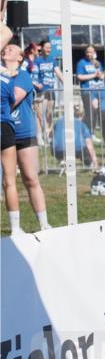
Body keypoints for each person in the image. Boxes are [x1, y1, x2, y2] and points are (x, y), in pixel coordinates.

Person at [2, 43, 49, 231]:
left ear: (20, 57)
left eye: (11, 49)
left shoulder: (23, 76)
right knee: (8, 180)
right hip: (6, 130)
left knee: (30, 178)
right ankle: (16, 227)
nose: (6, 49)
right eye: (4, 48)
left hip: (23, 131)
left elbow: (12, 100)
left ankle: (44, 224)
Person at [1, 56, 29, 234]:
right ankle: (15, 228)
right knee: (9, 181)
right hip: (4, 126)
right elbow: (12, 100)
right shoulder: (6, 79)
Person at [52, 102, 98, 169]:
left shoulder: (57, 122)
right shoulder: (81, 124)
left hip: (59, 151)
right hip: (77, 150)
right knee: (85, 148)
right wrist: (94, 159)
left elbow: (51, 136)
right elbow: (89, 143)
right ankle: (90, 163)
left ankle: (62, 159)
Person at [31, 38, 59, 143]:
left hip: (51, 91)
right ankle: (39, 136)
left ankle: (48, 135)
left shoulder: (53, 59)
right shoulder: (37, 60)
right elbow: (33, 76)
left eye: (50, 47)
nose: (48, 49)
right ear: (41, 48)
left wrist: (66, 82)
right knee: (39, 114)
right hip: (40, 91)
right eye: (46, 47)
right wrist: (37, 84)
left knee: (49, 113)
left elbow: (58, 72)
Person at [76, 44, 105, 133]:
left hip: (99, 90)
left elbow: (103, 76)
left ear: (94, 53)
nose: (89, 54)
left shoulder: (98, 63)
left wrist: (100, 75)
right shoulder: (81, 63)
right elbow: (79, 77)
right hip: (87, 91)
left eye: (91, 52)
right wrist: (94, 75)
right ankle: (88, 132)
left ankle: (87, 131)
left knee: (95, 112)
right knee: (91, 112)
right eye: (87, 52)